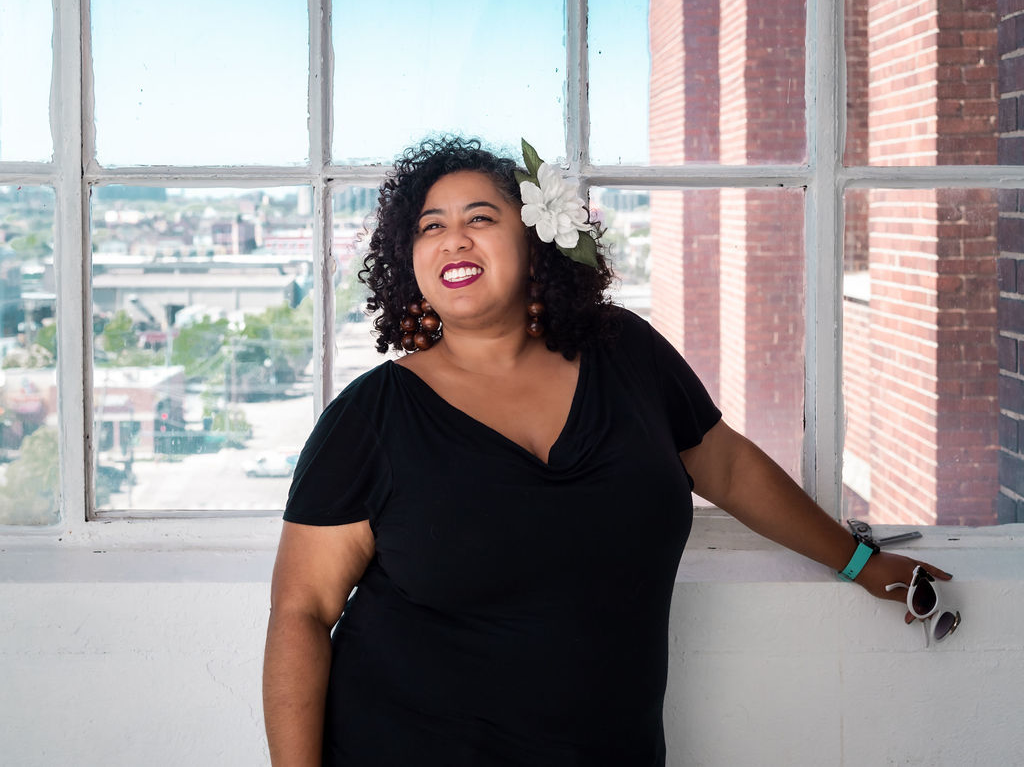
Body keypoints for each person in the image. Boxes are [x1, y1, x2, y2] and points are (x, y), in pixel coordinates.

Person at [262, 136, 952, 766]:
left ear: (536, 238)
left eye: (480, 218)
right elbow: (301, 612)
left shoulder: (626, 354)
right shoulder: (368, 418)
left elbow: (728, 465)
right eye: (430, 226)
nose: (453, 240)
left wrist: (858, 560)